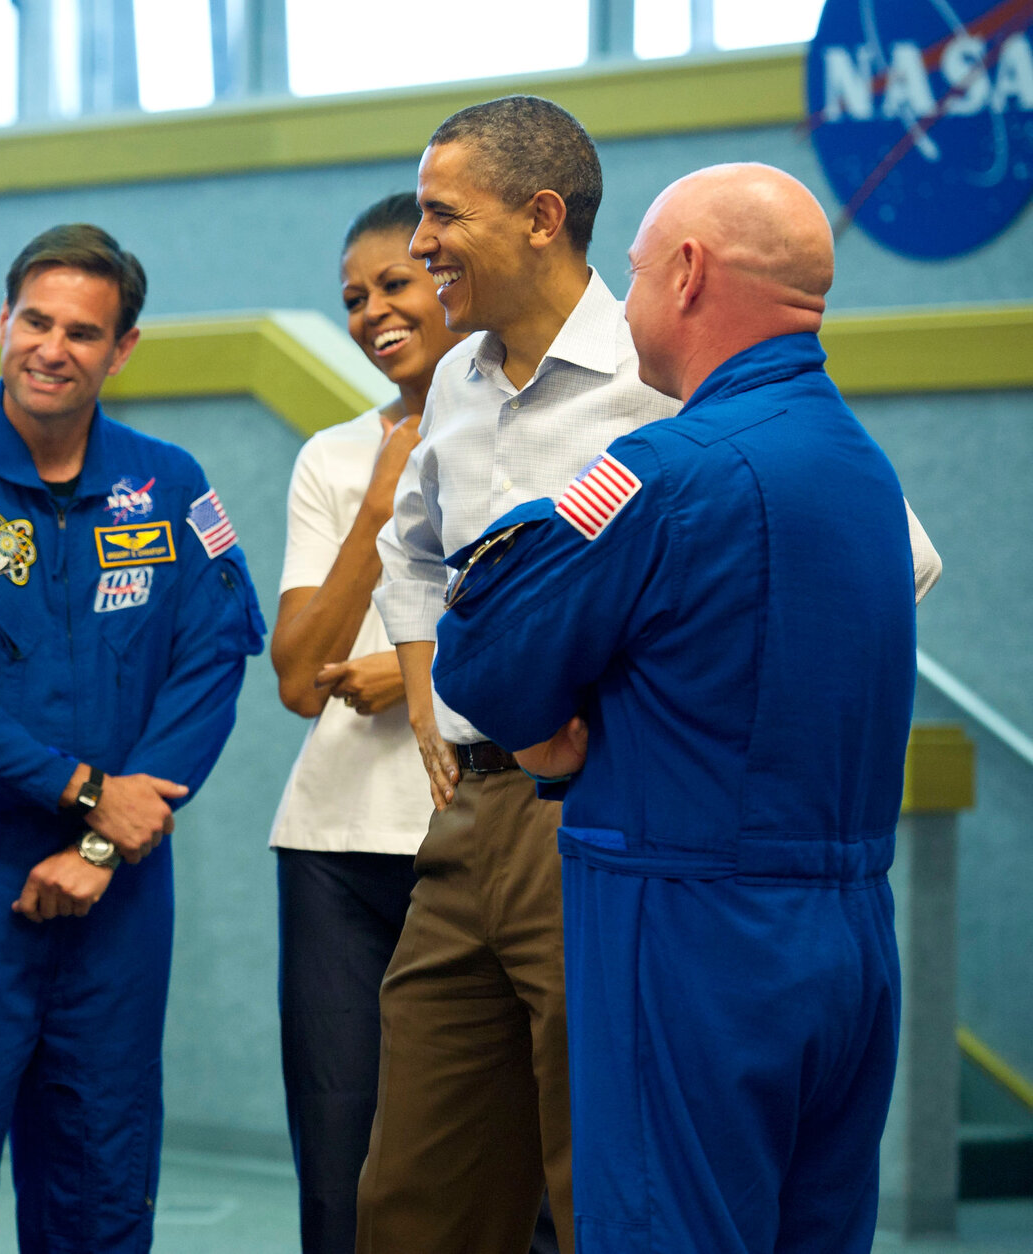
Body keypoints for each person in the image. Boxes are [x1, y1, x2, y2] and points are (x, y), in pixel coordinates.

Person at [430, 163, 916, 1254]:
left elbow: (483, 654)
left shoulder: (667, 468)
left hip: (693, 935)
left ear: (689, 275)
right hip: (850, 942)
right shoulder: (864, 472)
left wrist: (548, 713)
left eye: (639, 273)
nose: (631, 298)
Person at [0, 223, 266, 1254]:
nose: (52, 348)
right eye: (35, 320)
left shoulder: (168, 487)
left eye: (83, 330)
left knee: (101, 1167)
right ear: (2, 324)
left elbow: (211, 662)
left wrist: (108, 838)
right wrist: (81, 790)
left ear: (122, 351)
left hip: (114, 893)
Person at [361, 96, 681, 1254]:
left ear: (543, 216)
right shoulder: (456, 381)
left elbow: (869, 559)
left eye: (444, 213)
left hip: (602, 821)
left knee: (602, 1183)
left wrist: (646, 730)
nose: (420, 243)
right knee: (414, 1196)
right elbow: (412, 550)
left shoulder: (670, 366)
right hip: (467, 821)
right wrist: (421, 692)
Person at [265, 192, 465, 1254]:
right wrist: (382, 499)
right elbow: (300, 677)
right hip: (336, 851)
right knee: (340, 1162)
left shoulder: (543, 429)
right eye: (355, 297)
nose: (374, 311)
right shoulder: (334, 458)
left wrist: (416, 667)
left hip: (475, 841)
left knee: (495, 1163)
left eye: (397, 283)